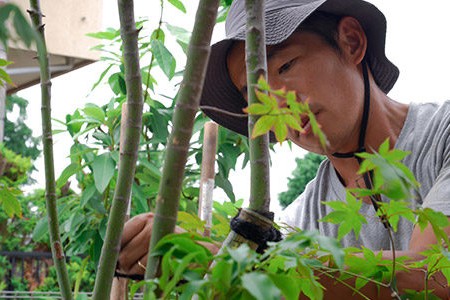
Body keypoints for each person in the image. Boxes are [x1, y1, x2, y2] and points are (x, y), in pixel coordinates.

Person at [118, 0, 450, 297]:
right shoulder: (306, 217)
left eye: (285, 67)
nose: (277, 103)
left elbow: (431, 276)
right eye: (255, 95)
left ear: (351, 41)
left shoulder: (442, 136)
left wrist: (227, 260)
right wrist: (197, 257)